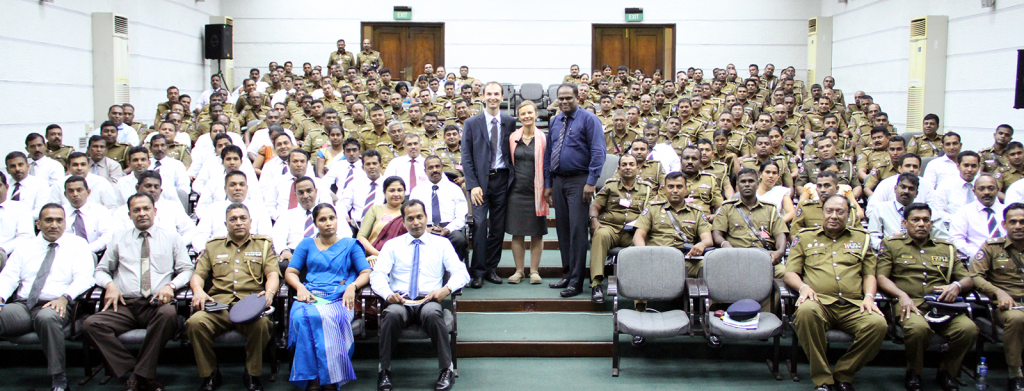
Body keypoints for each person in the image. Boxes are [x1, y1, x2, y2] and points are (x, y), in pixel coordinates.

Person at [83, 193, 193, 391]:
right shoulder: (119, 238)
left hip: (156, 304)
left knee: (169, 314)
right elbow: (101, 270)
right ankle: (140, 372)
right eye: (136, 210)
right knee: (91, 324)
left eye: (146, 209)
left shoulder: (172, 237)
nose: (142, 213)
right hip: (125, 304)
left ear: (155, 211)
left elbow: (186, 269)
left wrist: (171, 286)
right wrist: (110, 285)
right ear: (129, 214)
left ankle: (137, 376)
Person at [785, 195, 888, 391]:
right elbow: (790, 272)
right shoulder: (805, 237)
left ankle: (844, 373)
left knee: (878, 324)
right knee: (806, 312)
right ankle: (822, 379)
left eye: (840, 212)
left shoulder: (862, 238)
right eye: (829, 211)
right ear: (822, 213)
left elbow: (869, 275)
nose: (834, 216)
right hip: (819, 302)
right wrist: (803, 288)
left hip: (853, 305)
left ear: (848, 215)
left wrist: (869, 297)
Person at [369, 200, 470, 391]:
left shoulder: (441, 244)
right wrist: (388, 294)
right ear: (404, 221)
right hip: (400, 300)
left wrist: (446, 289)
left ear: (426, 218)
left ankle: (446, 370)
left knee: (433, 313)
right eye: (410, 218)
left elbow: (461, 273)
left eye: (419, 217)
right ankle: (384, 371)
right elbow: (377, 275)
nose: (416, 222)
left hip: (429, 299)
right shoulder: (392, 245)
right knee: (390, 315)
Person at [875, 202, 977, 391]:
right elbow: (881, 277)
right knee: (918, 328)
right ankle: (914, 372)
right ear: (905, 223)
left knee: (968, 329)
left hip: (943, 306)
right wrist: (901, 294)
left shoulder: (946, 248)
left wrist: (956, 285)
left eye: (926, 220)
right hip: (908, 304)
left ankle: (947, 370)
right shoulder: (892, 244)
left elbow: (968, 279)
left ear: (931, 224)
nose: (921, 224)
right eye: (916, 220)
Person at [0, 203, 95, 391]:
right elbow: (8, 277)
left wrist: (65, 297)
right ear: (38, 224)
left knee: (47, 318)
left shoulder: (77, 244)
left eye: (59, 220)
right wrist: (1, 299)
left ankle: (59, 379)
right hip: (24, 305)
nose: (54, 225)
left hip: (58, 303)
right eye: (48, 220)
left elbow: (85, 278)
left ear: (65, 223)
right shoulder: (25, 247)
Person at [186, 203, 280, 391]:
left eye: (243, 218)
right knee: (194, 323)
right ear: (226, 223)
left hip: (249, 307)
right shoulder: (213, 247)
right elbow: (198, 275)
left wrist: (269, 293)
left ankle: (252, 374)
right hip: (218, 306)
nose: (238, 223)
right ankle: (210, 374)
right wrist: (197, 289)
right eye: (233, 219)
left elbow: (273, 274)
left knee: (262, 325)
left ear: (250, 222)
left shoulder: (263, 245)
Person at [285, 203, 370, 390]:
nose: (328, 223)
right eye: (322, 219)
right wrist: (300, 287)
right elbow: (291, 271)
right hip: (310, 295)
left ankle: (330, 378)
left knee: (332, 318)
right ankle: (313, 378)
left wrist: (352, 286)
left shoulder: (350, 244)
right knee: (301, 317)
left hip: (339, 297)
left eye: (332, 218)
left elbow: (365, 271)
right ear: (315, 223)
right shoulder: (306, 244)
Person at [544, 83, 606, 297]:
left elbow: (599, 151)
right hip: (559, 181)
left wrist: (591, 181)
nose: (564, 101)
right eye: (560, 98)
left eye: (568, 98)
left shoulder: (589, 119)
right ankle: (567, 274)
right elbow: (549, 153)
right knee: (563, 230)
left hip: (580, 181)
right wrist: (548, 184)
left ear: (578, 97)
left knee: (578, 231)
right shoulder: (555, 121)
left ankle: (577, 281)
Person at [461, 82, 516, 289]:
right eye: (489, 93)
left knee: (498, 227)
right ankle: (478, 271)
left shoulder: (510, 122)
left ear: (502, 97)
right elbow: (466, 157)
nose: (493, 97)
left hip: (502, 179)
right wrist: (473, 184)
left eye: (496, 94)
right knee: (480, 225)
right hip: (479, 183)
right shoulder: (471, 123)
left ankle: (492, 268)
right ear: (482, 96)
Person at [969, 203, 1024, 391]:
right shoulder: (992, 247)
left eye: (1022, 222)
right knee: (1017, 319)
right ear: (1004, 224)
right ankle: (1015, 374)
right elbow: (975, 276)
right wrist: (998, 292)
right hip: (1006, 307)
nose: (1018, 226)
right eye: (1013, 222)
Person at [588, 154, 652, 302]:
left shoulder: (646, 189)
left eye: (631, 164)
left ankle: (639, 294)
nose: (628, 167)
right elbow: (594, 205)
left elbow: (651, 213)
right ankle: (596, 284)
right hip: (610, 228)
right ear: (619, 168)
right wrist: (594, 220)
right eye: (624, 165)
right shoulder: (610, 186)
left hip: (633, 232)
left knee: (642, 245)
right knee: (599, 234)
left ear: (638, 167)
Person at [633, 171, 714, 278]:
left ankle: (700, 294)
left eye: (679, 187)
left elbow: (708, 239)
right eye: (671, 187)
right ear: (665, 189)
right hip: (656, 258)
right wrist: (645, 255)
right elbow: (638, 236)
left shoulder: (697, 213)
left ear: (686, 189)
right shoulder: (653, 209)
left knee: (709, 266)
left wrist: (702, 245)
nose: (675, 190)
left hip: (684, 260)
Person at [712, 168, 788, 277]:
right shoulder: (727, 208)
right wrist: (725, 244)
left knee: (785, 273)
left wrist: (780, 251)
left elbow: (780, 234)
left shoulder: (770, 209)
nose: (747, 184)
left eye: (751, 181)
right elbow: (717, 233)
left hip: (765, 258)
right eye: (743, 182)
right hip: (736, 258)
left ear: (757, 184)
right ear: (737, 185)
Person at [504, 101, 549, 285]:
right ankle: (519, 271)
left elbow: (547, 165)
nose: (527, 116)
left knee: (537, 233)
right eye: (523, 114)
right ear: (519, 116)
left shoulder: (544, 138)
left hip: (536, 191)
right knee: (517, 233)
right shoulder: (513, 137)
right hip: (516, 191)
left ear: (536, 114)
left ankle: (535, 271)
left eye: (530, 113)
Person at [274, 176, 351, 267]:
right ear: (295, 195)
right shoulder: (286, 215)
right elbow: (277, 237)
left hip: (327, 252)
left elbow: (346, 235)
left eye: (309, 191)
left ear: (316, 191)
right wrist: (284, 251)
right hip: (295, 255)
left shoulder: (331, 212)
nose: (305, 196)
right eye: (301, 192)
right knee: (283, 264)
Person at [192, 170, 273, 248]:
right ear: (225, 188)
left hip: (251, 254)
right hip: (218, 255)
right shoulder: (213, 208)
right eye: (232, 185)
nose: (238, 188)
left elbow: (266, 237)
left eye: (241, 184)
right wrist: (203, 251)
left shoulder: (259, 208)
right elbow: (200, 236)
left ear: (247, 188)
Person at [409, 155, 469, 261]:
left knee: (459, 240)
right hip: (424, 228)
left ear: (442, 168)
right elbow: (412, 215)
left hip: (449, 228)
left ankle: (454, 272)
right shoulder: (417, 191)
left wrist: (447, 229)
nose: (435, 170)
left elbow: (461, 216)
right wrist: (424, 229)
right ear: (425, 170)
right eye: (431, 167)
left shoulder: (454, 189)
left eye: (437, 166)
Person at [868, 173, 948, 250]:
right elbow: (873, 236)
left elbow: (943, 239)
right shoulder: (881, 209)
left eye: (911, 188)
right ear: (895, 189)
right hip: (890, 254)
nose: (906, 191)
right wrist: (886, 250)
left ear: (916, 193)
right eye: (903, 187)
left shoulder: (929, 212)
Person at [950, 174, 1005, 258]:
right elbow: (956, 238)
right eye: (981, 189)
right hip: (977, 257)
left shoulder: (1007, 211)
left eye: (991, 188)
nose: (986, 192)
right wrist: (977, 253)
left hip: (1008, 257)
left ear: (997, 190)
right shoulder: (964, 211)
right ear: (974, 192)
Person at [59, 175, 114, 253]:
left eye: (79, 190)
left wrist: (84, 250)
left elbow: (107, 237)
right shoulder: (59, 212)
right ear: (65, 194)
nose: (75, 194)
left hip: (94, 254)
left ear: (88, 192)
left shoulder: (100, 211)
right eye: (71, 191)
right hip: (64, 254)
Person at [356, 176, 407, 258]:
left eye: (400, 190)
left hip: (403, 257)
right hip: (376, 257)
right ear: (384, 192)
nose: (396, 194)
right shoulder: (375, 209)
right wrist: (379, 255)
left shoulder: (408, 211)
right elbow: (361, 237)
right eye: (392, 190)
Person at [49, 152, 119, 210]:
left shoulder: (101, 182)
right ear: (68, 168)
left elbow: (111, 207)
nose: (79, 168)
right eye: (75, 165)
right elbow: (54, 208)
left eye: (83, 165)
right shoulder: (59, 184)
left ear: (88, 167)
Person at [338, 150, 385, 229]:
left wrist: (384, 221)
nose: (371, 167)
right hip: (356, 226)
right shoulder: (354, 184)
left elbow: (394, 212)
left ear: (381, 165)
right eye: (368, 164)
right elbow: (342, 205)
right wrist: (345, 217)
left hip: (382, 225)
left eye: (374, 163)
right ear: (363, 167)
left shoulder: (388, 185)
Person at [930, 150, 981, 221]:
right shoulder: (946, 184)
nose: (969, 169)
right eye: (966, 165)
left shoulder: (984, 184)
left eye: (973, 166)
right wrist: (957, 221)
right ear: (958, 166)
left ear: (979, 167)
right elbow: (938, 210)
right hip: (952, 225)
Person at [5, 151, 51, 218]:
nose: (17, 169)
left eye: (20, 165)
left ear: (28, 166)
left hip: (29, 224)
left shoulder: (40, 184)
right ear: (7, 170)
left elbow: (40, 211)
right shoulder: (3, 184)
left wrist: (16, 218)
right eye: (12, 166)